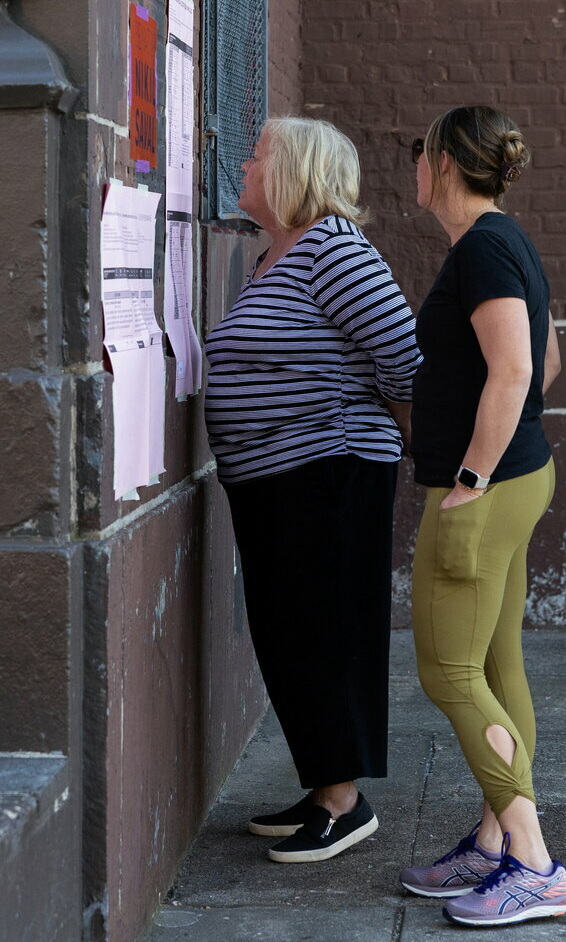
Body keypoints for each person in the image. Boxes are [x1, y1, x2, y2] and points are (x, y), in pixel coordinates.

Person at [203, 117, 421, 863]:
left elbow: (405, 362)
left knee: (324, 632)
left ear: (294, 170)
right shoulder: (276, 256)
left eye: (257, 153)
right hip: (275, 481)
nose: (243, 160)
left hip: (330, 473)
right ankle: (323, 781)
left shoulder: (334, 252)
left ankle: (344, 802)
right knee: (288, 631)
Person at [395, 106, 566, 928]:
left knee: (450, 673)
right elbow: (549, 361)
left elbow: (516, 370)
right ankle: (496, 839)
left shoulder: (486, 247)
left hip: (482, 489)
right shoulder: (503, 243)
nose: (413, 164)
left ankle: (534, 863)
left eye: (418, 151)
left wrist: (471, 474)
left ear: (446, 163)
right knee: (497, 664)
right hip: (510, 481)